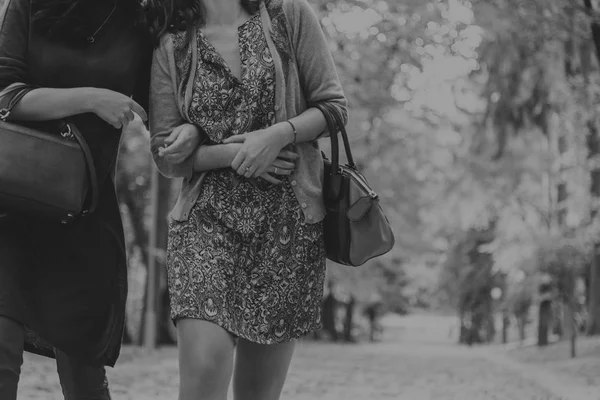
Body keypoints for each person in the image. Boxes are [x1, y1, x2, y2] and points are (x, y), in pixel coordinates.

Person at [148, 0, 347, 398]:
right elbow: (164, 155)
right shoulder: (172, 43)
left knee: (257, 393)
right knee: (203, 370)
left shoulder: (288, 16)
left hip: (286, 227)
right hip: (205, 223)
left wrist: (276, 136)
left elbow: (334, 109)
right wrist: (236, 154)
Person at [0, 0, 153, 398]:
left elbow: (164, 114)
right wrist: (91, 98)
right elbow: (4, 93)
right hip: (11, 206)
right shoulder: (27, 5)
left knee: (85, 376)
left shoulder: (140, 21)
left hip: (86, 212)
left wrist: (187, 139)